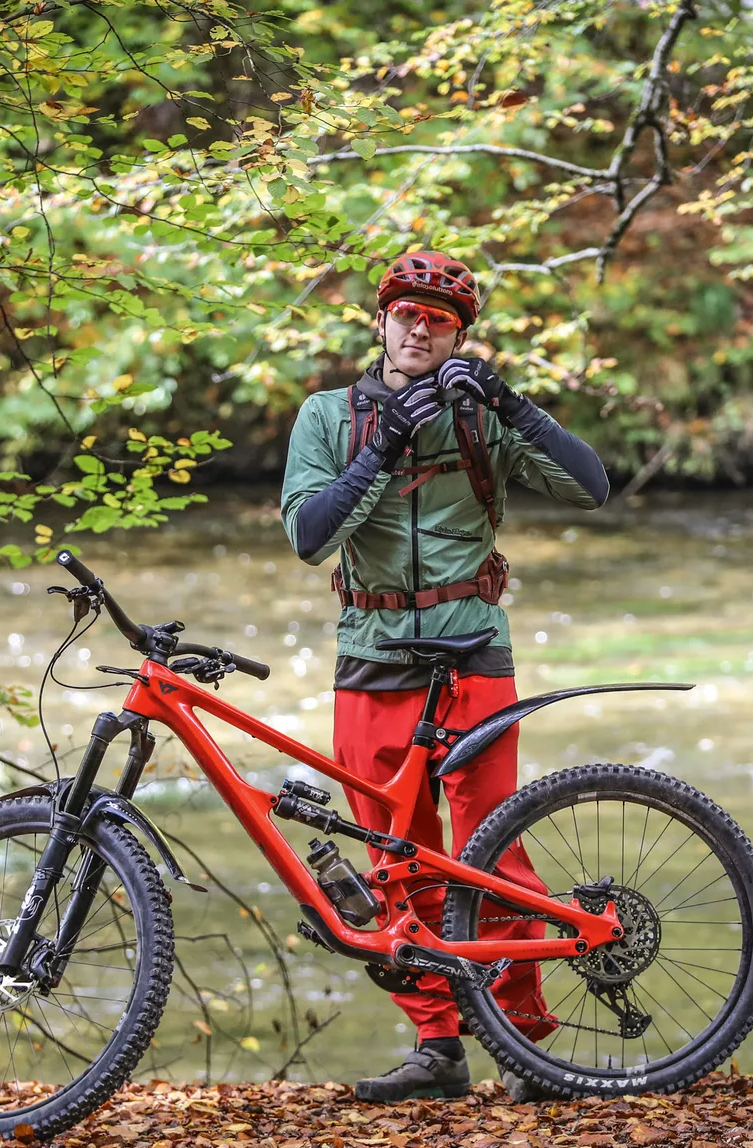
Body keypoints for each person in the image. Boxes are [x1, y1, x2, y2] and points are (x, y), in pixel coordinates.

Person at [279, 251, 611, 1103]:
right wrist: (386, 442)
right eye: (406, 314)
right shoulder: (328, 416)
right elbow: (310, 534)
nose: (420, 327)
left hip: (471, 651)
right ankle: (438, 1044)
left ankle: (526, 1039)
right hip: (370, 655)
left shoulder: (480, 419)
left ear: (459, 336)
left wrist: (508, 404)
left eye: (439, 319)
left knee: (489, 851)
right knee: (397, 857)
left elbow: (591, 487)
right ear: (380, 323)